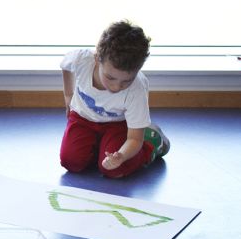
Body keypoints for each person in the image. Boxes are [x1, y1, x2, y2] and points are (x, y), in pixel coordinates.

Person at [60, 20, 169, 178]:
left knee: (114, 169)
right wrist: (68, 95)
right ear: (97, 58)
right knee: (72, 162)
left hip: (118, 125)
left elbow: (134, 138)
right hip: (83, 119)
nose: (116, 87)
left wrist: (122, 156)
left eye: (126, 81)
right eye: (110, 77)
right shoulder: (82, 60)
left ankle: (151, 143)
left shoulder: (137, 88)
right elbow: (65, 66)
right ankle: (99, 148)